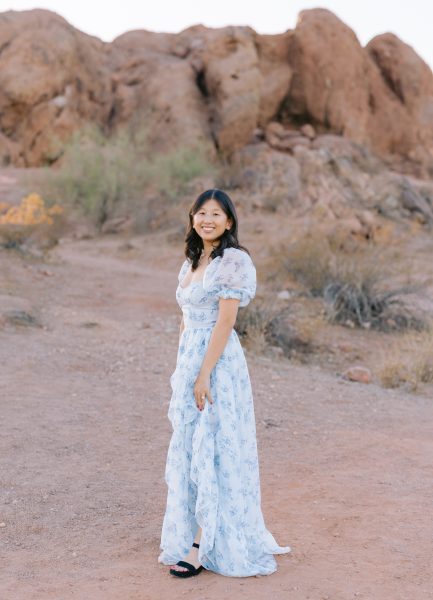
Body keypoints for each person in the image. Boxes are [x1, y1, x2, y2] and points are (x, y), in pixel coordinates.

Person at [158, 188, 291, 578]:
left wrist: (203, 373)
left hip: (218, 364)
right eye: (201, 213)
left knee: (213, 446)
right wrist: (184, 368)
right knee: (189, 447)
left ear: (229, 222)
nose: (208, 219)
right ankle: (193, 533)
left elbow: (226, 321)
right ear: (192, 218)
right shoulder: (192, 260)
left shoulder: (232, 261)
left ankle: (203, 545)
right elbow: (187, 317)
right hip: (190, 361)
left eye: (217, 214)